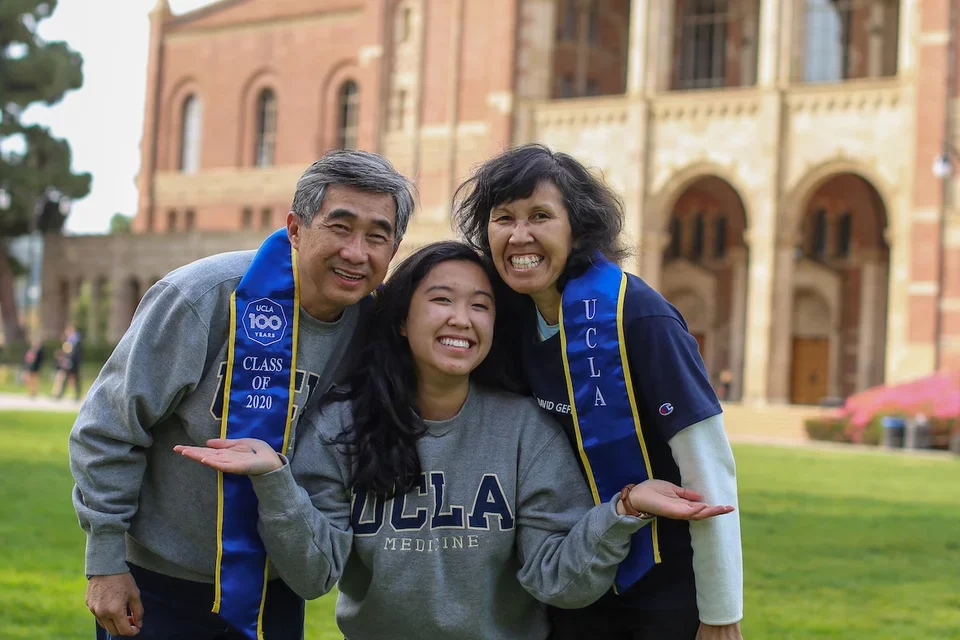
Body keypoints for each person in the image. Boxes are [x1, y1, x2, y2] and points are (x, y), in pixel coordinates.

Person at [175, 241, 735, 640]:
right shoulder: (341, 426)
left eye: (481, 305)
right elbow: (314, 575)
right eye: (441, 300)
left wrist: (622, 510)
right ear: (401, 318)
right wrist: (275, 482)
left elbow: (559, 581)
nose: (462, 319)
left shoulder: (525, 431)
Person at [68, 150, 415, 640]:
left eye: (377, 236)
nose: (357, 252)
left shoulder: (377, 330)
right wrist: (104, 560)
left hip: (275, 590)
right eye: (340, 227)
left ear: (393, 250)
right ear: (295, 229)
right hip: (158, 584)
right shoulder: (203, 299)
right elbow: (108, 428)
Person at [453, 144, 744, 640]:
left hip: (663, 579)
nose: (519, 235)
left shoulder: (639, 317)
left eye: (540, 216)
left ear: (578, 227)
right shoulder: (503, 321)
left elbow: (708, 466)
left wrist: (720, 611)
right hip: (570, 573)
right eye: (503, 218)